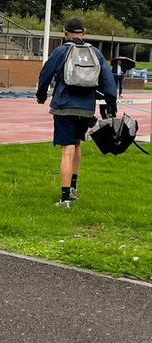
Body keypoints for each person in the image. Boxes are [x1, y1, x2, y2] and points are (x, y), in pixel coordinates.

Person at [36, 15, 118, 208]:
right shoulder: (95, 53)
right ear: (84, 33)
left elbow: (45, 74)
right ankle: (72, 188)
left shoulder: (61, 51)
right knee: (77, 144)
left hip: (65, 105)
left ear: (65, 33)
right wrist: (111, 106)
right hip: (86, 107)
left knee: (67, 149)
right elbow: (108, 83)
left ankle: (64, 199)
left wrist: (41, 96)